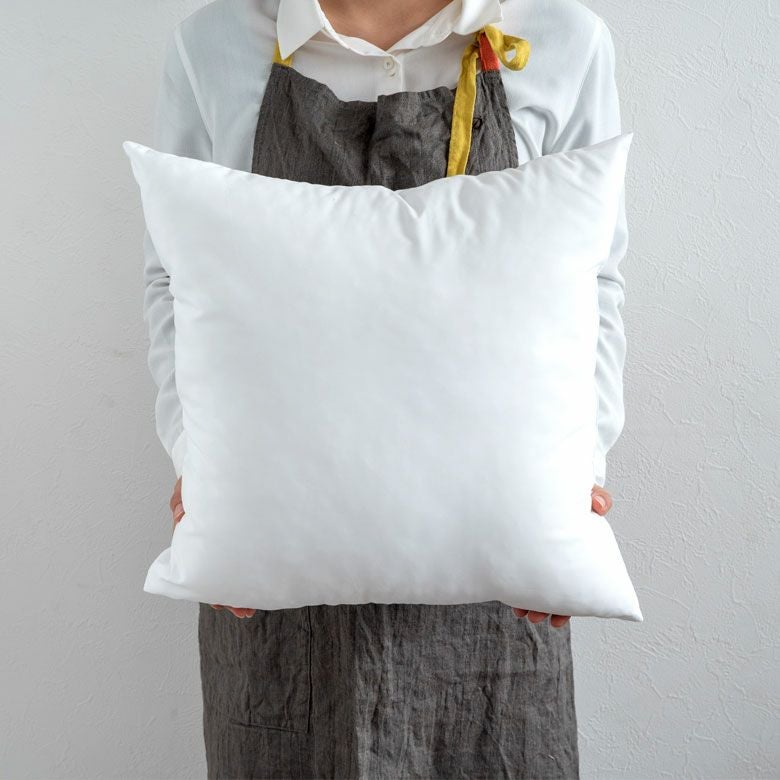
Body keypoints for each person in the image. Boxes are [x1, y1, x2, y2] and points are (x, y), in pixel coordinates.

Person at [144, 0, 627, 776]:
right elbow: (175, 281)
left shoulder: (561, 37)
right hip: (277, 589)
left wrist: (580, 468)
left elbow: (592, 281)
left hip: (494, 597)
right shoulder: (214, 43)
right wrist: (195, 460)